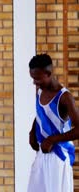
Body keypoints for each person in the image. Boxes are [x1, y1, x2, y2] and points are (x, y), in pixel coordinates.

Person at [27, 53, 79, 192]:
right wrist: (33, 132)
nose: (34, 83)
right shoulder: (40, 90)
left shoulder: (65, 97)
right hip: (42, 154)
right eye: (32, 78)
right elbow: (41, 112)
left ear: (48, 73)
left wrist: (52, 139)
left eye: (37, 79)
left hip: (59, 156)